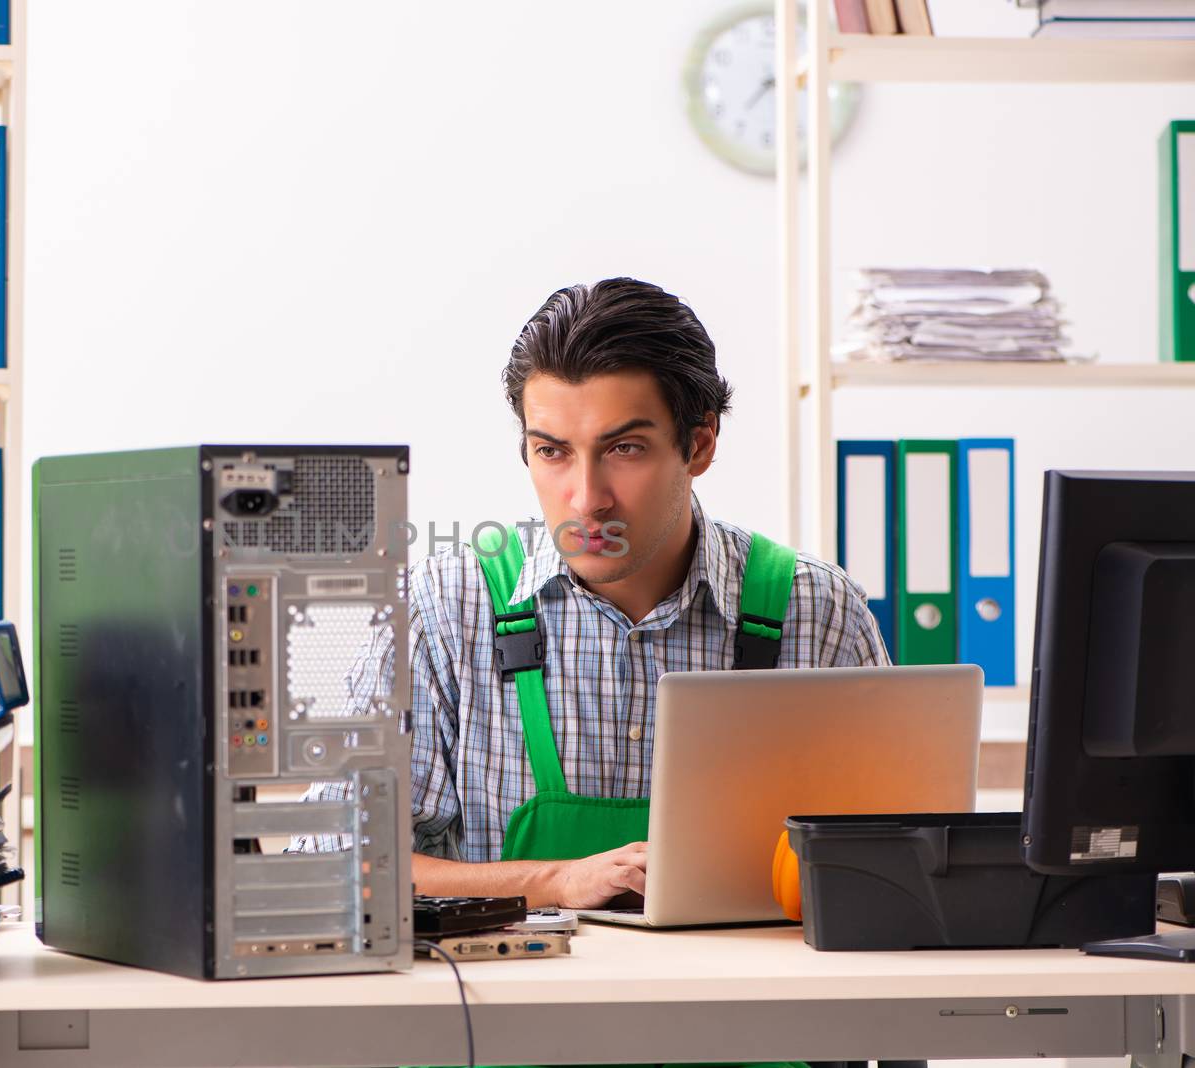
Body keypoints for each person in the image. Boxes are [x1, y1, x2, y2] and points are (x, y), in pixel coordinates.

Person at [299, 277, 887, 909]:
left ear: (699, 445)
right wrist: (552, 880)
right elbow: (333, 862)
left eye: (624, 448)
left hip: (745, 1002)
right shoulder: (443, 611)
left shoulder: (816, 612)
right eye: (552, 451)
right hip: (508, 1006)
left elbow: (887, 867)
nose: (586, 498)